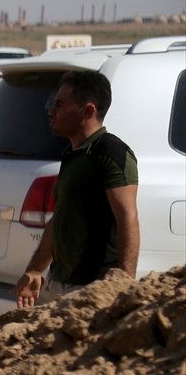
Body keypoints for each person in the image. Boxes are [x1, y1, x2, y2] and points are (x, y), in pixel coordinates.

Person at [12, 70, 139, 307]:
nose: (51, 111)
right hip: (58, 283)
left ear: (87, 111)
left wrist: (124, 286)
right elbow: (59, 220)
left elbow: (127, 217)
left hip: (92, 289)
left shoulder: (110, 152)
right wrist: (35, 270)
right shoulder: (74, 155)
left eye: (59, 105)